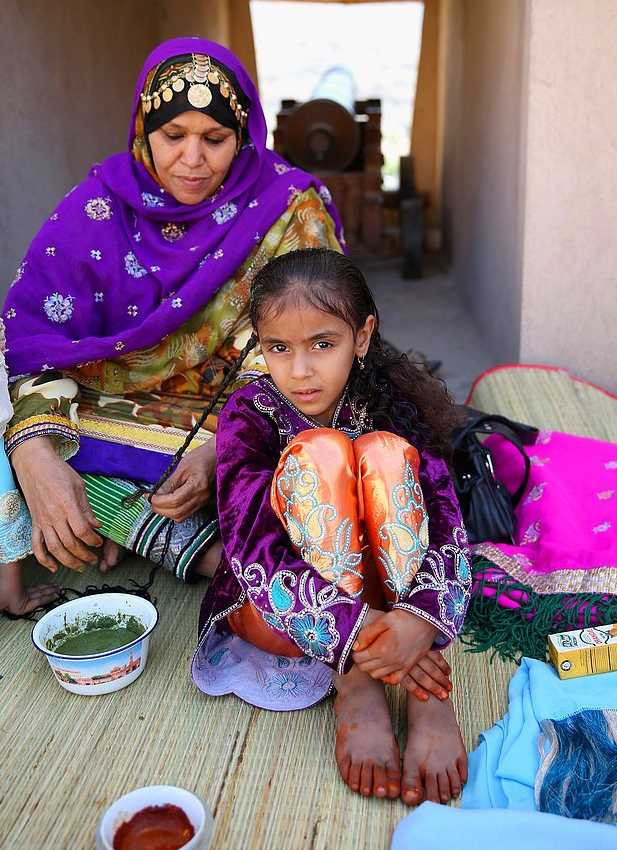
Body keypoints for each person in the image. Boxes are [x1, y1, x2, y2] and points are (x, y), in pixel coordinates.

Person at [0, 37, 344, 614]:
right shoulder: (98, 208)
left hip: (254, 413)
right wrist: (36, 455)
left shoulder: (288, 212)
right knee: (25, 441)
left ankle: (185, 543)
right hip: (118, 410)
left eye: (215, 139)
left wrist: (221, 449)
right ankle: (212, 552)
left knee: (319, 459)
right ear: (144, 130)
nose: (192, 159)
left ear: (244, 136)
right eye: (173, 136)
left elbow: (317, 353)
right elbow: (33, 340)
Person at [191, 248, 471, 805]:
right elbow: (251, 546)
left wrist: (421, 620)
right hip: (280, 612)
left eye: (323, 344)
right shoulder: (249, 413)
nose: (300, 371)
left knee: (386, 452)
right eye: (279, 347)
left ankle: (423, 690)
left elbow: (444, 520)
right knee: (321, 452)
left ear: (361, 337)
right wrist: (356, 632)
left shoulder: (390, 403)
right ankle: (358, 682)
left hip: (394, 601)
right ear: (260, 345)